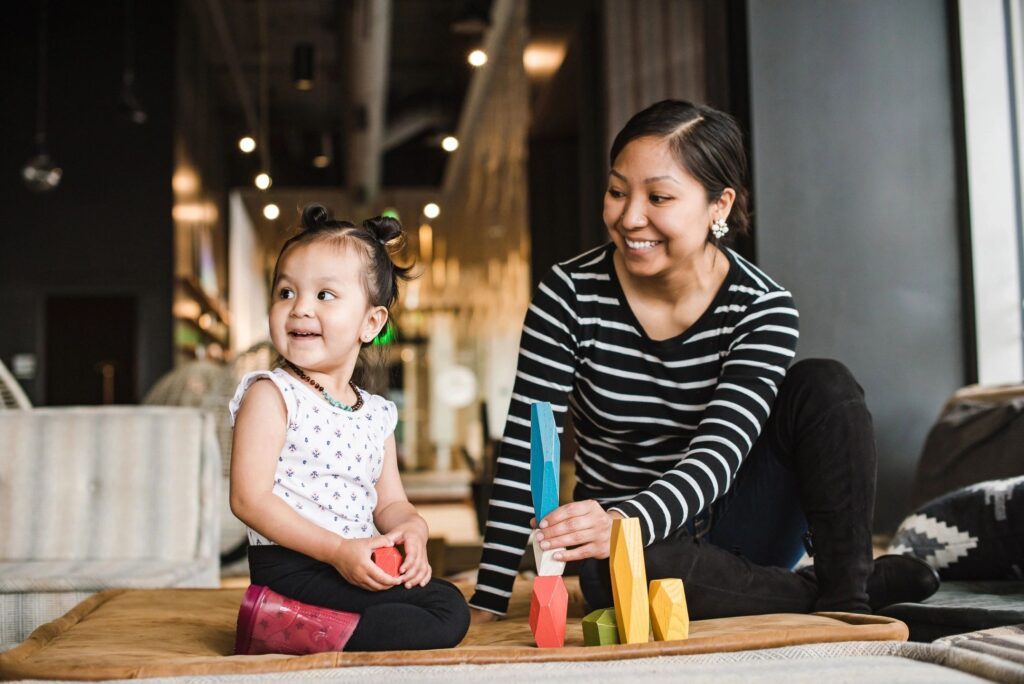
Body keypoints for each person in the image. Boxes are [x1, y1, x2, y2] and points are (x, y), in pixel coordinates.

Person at [469, 100, 938, 622]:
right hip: (627, 554)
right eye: (617, 191)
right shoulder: (569, 295)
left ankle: (847, 594)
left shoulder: (762, 307)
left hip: (737, 525)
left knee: (825, 383)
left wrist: (627, 519)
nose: (629, 217)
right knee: (622, 574)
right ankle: (827, 590)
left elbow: (717, 455)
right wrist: (489, 597)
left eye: (659, 197)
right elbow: (526, 448)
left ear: (719, 205)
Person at [230, 205, 469, 653]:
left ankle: (293, 627)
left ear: (371, 322)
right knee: (429, 620)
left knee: (447, 603)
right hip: (292, 566)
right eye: (285, 292)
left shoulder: (375, 413)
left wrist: (413, 530)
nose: (299, 308)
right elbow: (248, 498)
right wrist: (337, 550)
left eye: (324, 295)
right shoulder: (272, 394)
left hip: (353, 559)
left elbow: (391, 502)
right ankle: (273, 619)